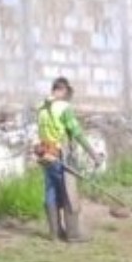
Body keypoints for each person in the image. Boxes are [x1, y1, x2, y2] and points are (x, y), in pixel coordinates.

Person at [33, 77, 99, 242]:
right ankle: (73, 234)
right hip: (61, 155)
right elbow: (77, 133)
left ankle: (54, 234)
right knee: (69, 193)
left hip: (45, 154)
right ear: (62, 90)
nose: (68, 97)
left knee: (51, 191)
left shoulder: (40, 107)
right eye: (67, 93)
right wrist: (93, 154)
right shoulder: (64, 107)